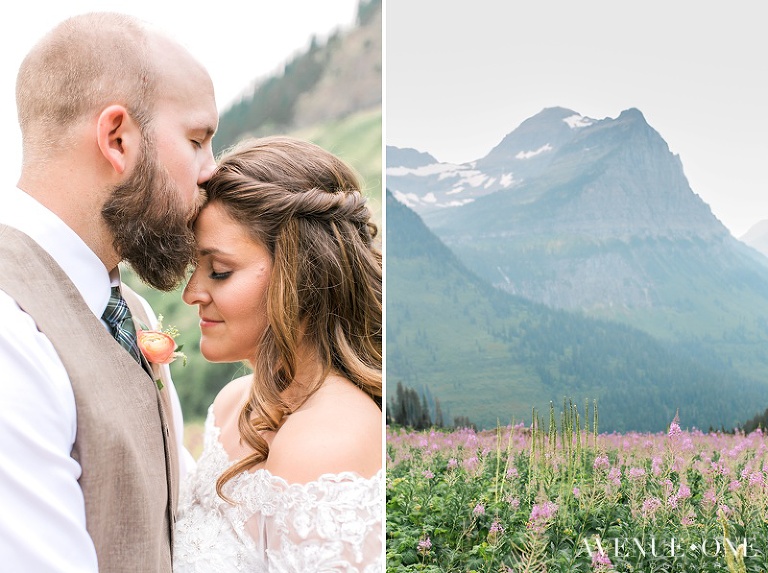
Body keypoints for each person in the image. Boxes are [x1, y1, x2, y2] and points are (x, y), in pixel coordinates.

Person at [0, 12, 218, 572]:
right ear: (117, 139)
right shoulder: (8, 326)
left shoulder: (130, 310)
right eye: (196, 140)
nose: (211, 172)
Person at [174, 136, 383, 571]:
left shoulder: (329, 440)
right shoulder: (232, 403)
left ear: (300, 275)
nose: (193, 293)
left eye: (219, 271)